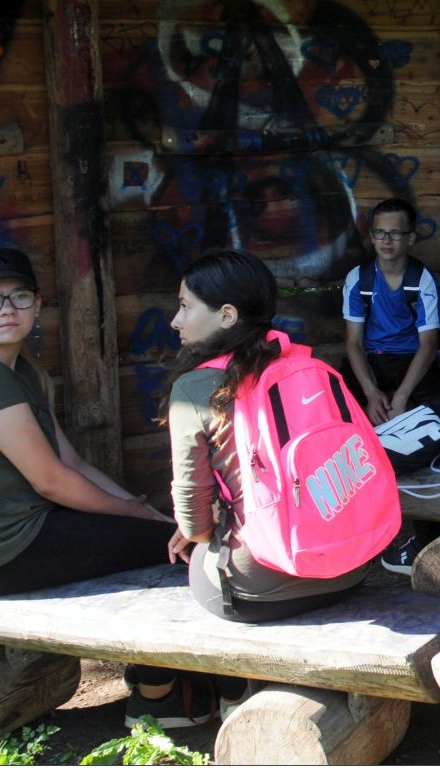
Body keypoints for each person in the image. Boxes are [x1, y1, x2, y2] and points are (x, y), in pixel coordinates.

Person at [0, 248, 208, 726]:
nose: (7, 309)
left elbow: (71, 461)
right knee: (169, 552)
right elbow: (51, 481)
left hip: (26, 532)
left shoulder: (20, 369)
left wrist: (139, 508)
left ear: (36, 304)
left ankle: (159, 674)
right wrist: (135, 516)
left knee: (161, 535)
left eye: (19, 296)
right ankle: (157, 698)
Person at [165, 249, 373, 626]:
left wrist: (210, 526)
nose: (175, 320)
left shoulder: (193, 390)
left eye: (185, 306)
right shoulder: (308, 367)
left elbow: (195, 526)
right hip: (349, 570)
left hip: (257, 588)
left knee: (196, 560)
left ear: (227, 316)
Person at [340, 198, 440, 423]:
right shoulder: (359, 278)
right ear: (372, 237)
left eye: (396, 233)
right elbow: (354, 342)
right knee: (337, 405)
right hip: (371, 357)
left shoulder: (421, 279)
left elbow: (428, 345)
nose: (387, 240)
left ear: (411, 238)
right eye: (380, 232)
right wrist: (371, 393)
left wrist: (401, 398)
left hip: (411, 357)